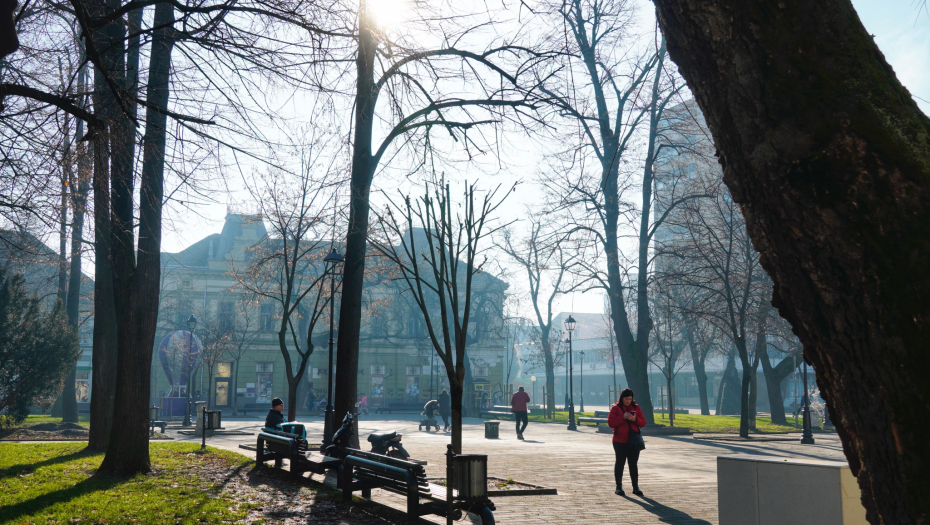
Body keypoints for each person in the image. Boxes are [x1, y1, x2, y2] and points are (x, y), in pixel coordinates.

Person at [608, 388, 647, 496]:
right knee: (620, 463)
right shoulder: (615, 408)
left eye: (630, 399)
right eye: (626, 398)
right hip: (619, 441)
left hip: (633, 441)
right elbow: (611, 423)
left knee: (633, 464)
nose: (628, 401)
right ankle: (619, 487)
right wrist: (623, 417)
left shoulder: (636, 407)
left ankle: (635, 487)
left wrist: (635, 420)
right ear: (622, 398)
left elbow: (643, 422)